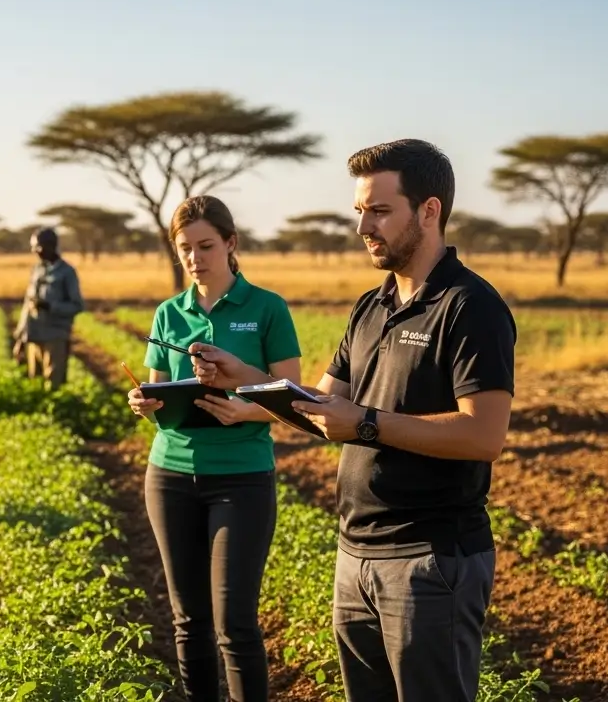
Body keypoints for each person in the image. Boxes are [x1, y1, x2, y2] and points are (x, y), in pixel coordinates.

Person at [190, 139, 516, 702]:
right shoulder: (371, 306)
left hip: (429, 560)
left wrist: (364, 423)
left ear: (430, 210)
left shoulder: (469, 305)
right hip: (355, 554)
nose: (364, 225)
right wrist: (243, 376)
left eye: (381, 210)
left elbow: (484, 436)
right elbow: (321, 408)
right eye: (360, 211)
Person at [125, 195, 302, 702]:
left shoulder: (267, 308)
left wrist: (245, 409)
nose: (195, 257)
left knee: (236, 624)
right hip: (170, 475)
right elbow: (160, 388)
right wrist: (146, 402)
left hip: (242, 477)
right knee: (188, 622)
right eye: (185, 249)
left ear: (230, 243)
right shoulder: (168, 313)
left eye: (205, 245)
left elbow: (294, 397)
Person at [11, 227, 84, 388]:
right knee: (34, 382)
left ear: (50, 246)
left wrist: (50, 306)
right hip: (34, 334)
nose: (34, 251)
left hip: (55, 336)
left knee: (53, 383)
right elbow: (27, 306)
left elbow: (77, 306)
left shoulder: (67, 272)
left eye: (37, 246)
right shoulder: (37, 269)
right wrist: (20, 337)